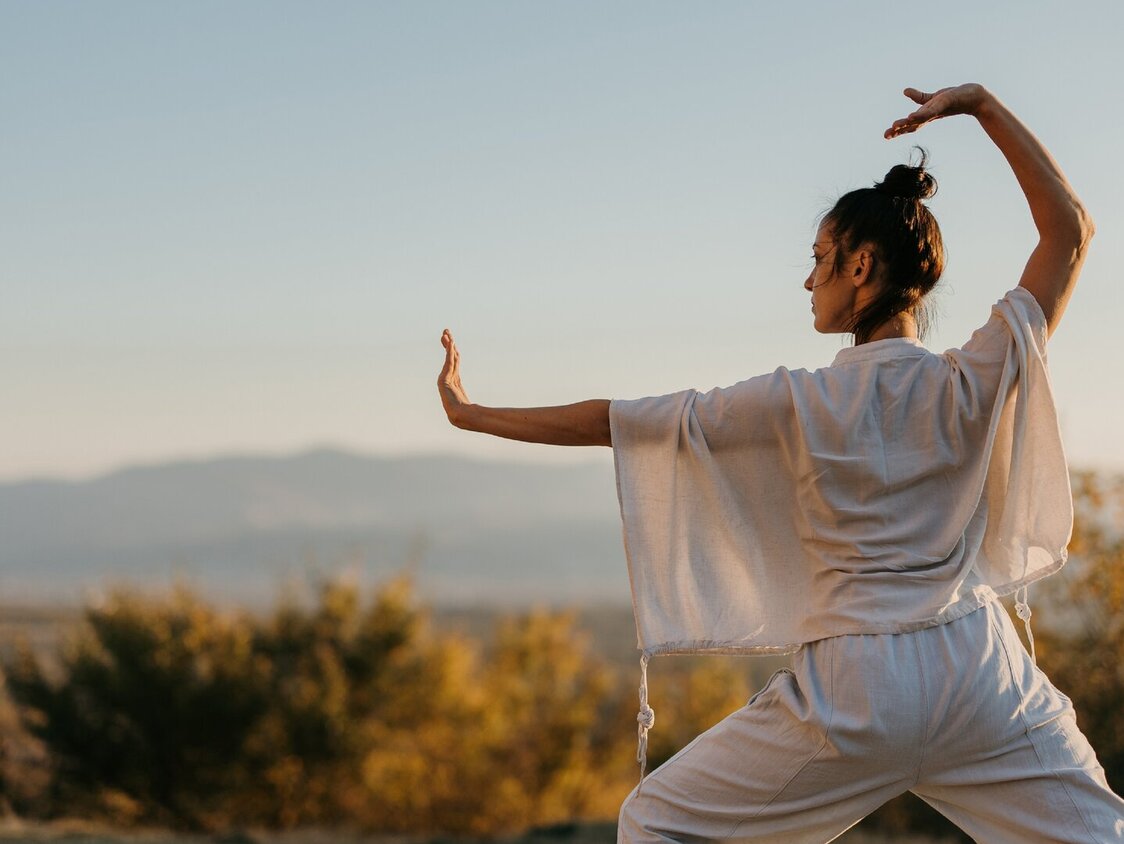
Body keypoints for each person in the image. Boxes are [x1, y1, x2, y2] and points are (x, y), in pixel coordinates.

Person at [437, 84, 1124, 841]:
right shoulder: (974, 378)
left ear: (862, 265)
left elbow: (618, 421)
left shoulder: (794, 402)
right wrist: (982, 105)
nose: (808, 278)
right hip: (981, 676)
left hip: (857, 690)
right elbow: (1071, 231)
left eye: (820, 258)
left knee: (657, 823)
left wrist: (474, 413)